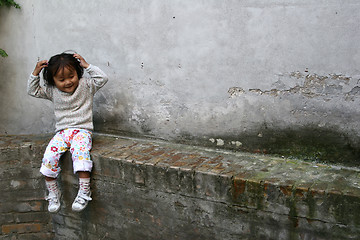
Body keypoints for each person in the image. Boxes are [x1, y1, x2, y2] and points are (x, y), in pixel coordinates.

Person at [27, 51, 108, 213]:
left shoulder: (86, 85)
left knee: (80, 153)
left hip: (82, 131)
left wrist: (87, 65)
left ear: (78, 73)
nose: (68, 82)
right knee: (49, 157)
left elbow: (102, 78)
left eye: (71, 76)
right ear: (53, 81)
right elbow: (33, 90)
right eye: (61, 79)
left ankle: (84, 191)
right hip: (62, 133)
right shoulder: (52, 91)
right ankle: (53, 192)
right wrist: (35, 73)